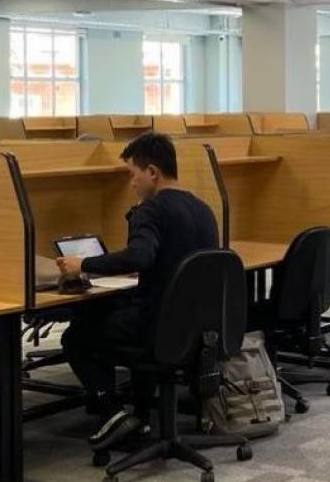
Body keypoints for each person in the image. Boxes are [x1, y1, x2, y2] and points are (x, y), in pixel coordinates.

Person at [58, 131, 218, 451]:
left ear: (152, 173)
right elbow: (171, 258)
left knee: (77, 336)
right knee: (117, 314)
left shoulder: (151, 209)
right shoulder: (203, 209)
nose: (131, 183)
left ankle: (113, 413)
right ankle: (142, 413)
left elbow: (141, 255)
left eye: (133, 174)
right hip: (198, 328)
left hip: (158, 327)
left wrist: (83, 264)